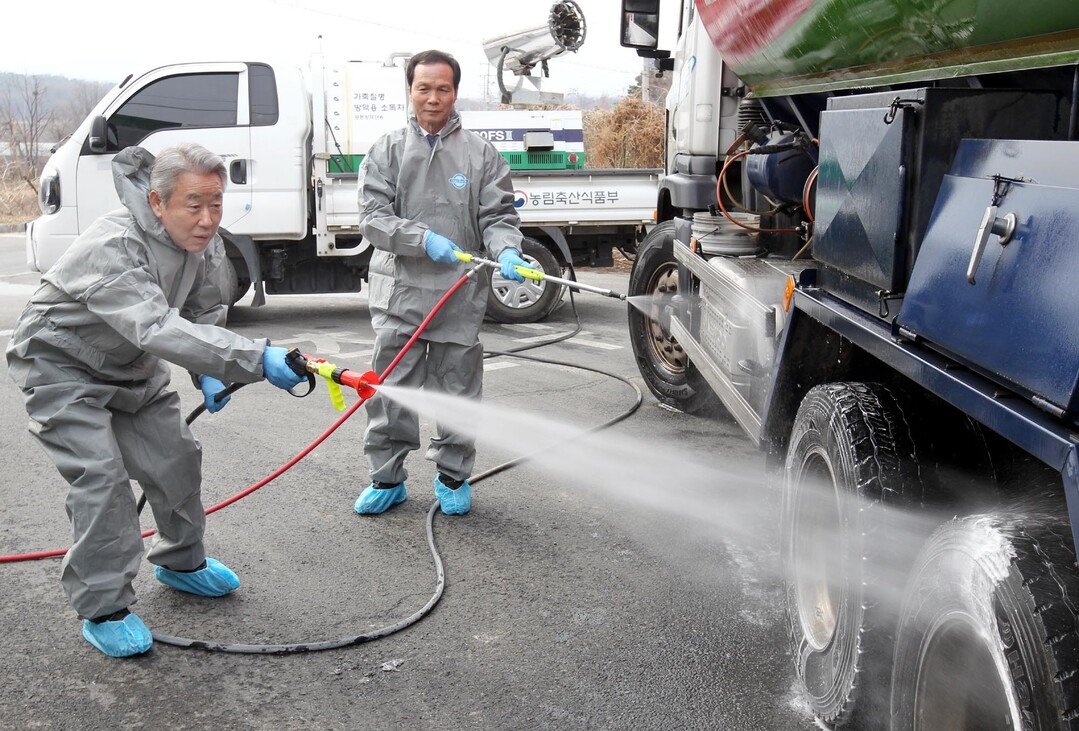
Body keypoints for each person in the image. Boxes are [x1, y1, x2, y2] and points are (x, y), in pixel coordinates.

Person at [5, 143, 304, 658]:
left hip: (132, 366)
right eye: (195, 204)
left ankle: (181, 562)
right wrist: (253, 359)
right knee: (101, 479)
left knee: (176, 460)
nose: (209, 218)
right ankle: (103, 608)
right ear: (157, 201)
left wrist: (205, 371)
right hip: (62, 365)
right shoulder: (114, 244)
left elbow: (203, 306)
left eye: (216, 202)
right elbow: (156, 325)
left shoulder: (202, 241)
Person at [355, 49, 530, 517]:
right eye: (424, 88)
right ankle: (387, 478)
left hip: (459, 294)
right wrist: (421, 238)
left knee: (457, 391)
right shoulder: (387, 150)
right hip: (400, 294)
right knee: (392, 391)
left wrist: (507, 249)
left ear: (455, 92)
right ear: (410, 90)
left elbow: (498, 215)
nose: (433, 98)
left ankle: (453, 476)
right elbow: (373, 219)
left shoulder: (480, 155)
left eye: (443, 89)